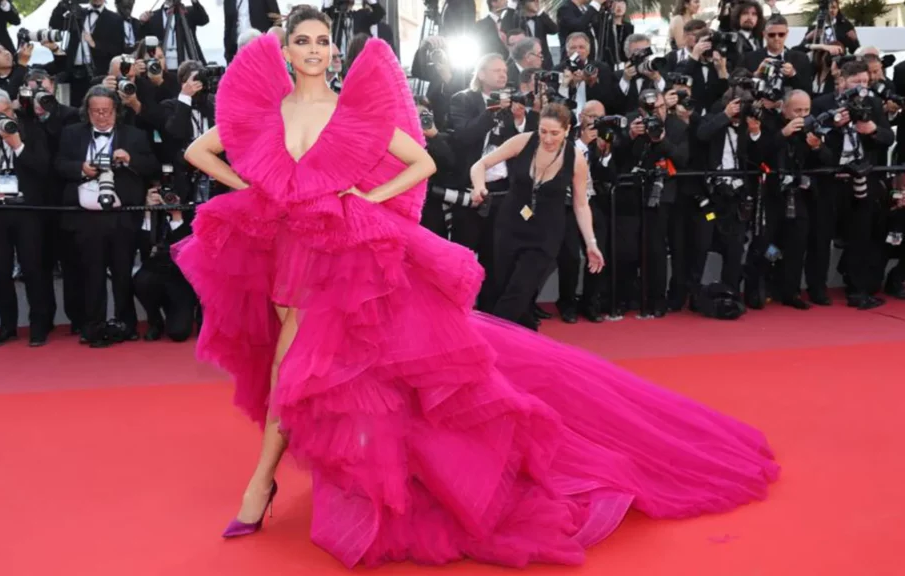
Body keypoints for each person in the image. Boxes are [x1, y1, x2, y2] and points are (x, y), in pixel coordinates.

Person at [175, 8, 779, 569]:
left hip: (344, 255)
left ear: (334, 51)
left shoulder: (349, 111)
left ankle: (260, 484)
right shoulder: (274, 111)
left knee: (296, 366)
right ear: (284, 49)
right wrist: (261, 190)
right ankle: (335, 476)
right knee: (312, 367)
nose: (313, 51)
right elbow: (201, 150)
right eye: (302, 42)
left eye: (323, 42)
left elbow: (423, 163)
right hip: (288, 249)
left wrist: (364, 197)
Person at [469, 102, 604, 330]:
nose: (548, 139)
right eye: (543, 131)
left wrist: (591, 243)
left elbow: (581, 204)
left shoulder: (576, 158)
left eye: (554, 133)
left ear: (567, 130)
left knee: (518, 291)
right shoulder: (524, 141)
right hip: (509, 226)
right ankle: (528, 339)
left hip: (545, 234)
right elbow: (480, 165)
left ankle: (490, 341)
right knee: (505, 288)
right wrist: (479, 187)